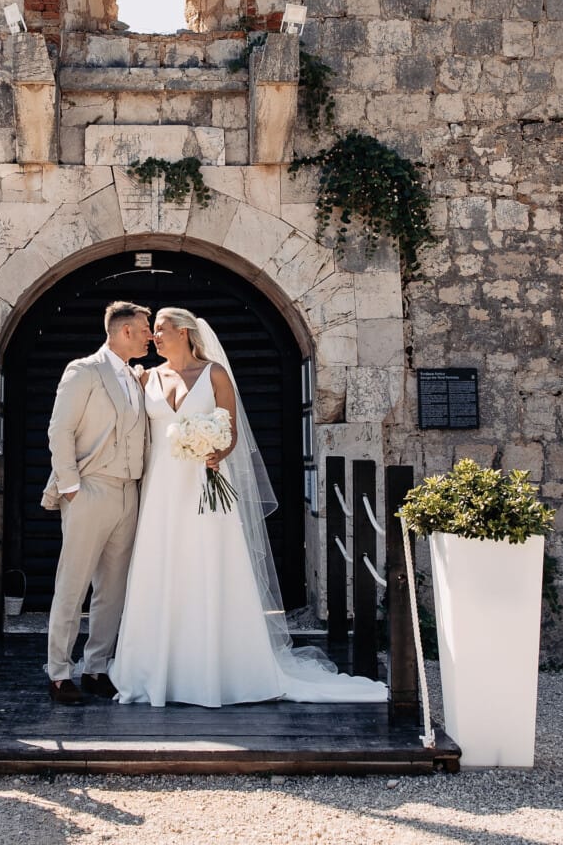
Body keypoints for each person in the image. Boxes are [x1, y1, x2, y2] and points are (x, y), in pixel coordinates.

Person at [109, 307, 387, 707]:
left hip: (205, 487)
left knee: (208, 568)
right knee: (161, 567)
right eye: (153, 331)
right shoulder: (146, 377)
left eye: (161, 330)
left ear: (185, 332)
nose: (154, 337)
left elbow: (231, 433)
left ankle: (215, 667)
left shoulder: (215, 375)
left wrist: (215, 451)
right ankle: (153, 666)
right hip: (161, 491)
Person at [40, 300, 152, 704]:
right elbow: (60, 429)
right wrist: (71, 487)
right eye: (145, 329)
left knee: (113, 588)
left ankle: (96, 667)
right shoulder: (84, 371)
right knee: (73, 584)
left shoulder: (137, 377)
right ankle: (58, 673)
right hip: (91, 489)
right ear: (124, 331)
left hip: (129, 492)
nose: (150, 335)